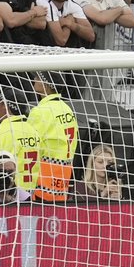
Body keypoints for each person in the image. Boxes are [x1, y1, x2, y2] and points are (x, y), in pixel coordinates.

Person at [0, 92, 44, 201]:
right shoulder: (34, 132)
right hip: (28, 196)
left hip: (5, 193)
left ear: (5, 107)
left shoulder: (1, 133)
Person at [28, 73, 78, 203]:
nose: (34, 80)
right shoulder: (67, 109)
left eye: (38, 78)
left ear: (47, 85)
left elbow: (28, 146)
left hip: (42, 181)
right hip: (63, 180)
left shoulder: (40, 112)